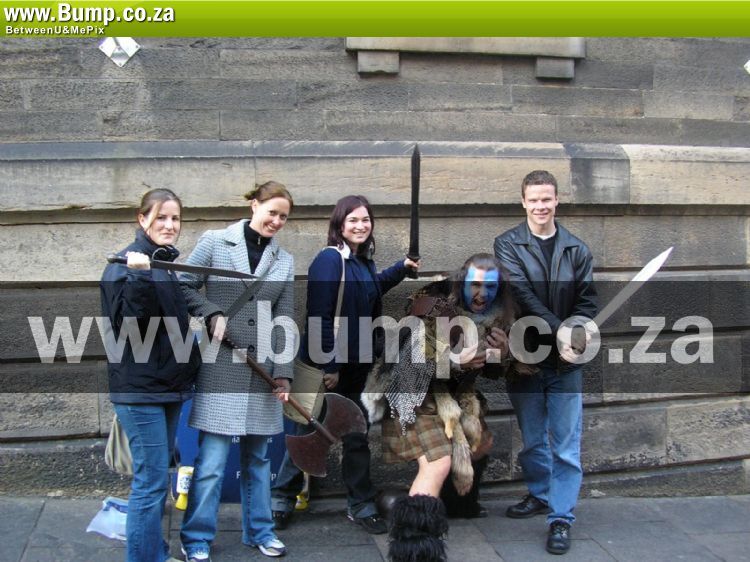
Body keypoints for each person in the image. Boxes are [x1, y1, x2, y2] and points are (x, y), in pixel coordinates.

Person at [364, 253, 529, 561]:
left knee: (480, 444)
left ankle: (448, 505)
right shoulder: (432, 307)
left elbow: (497, 371)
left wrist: (503, 353)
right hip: (413, 395)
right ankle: (414, 548)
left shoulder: (501, 314)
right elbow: (406, 364)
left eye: (490, 287)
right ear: (461, 281)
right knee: (438, 462)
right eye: (475, 285)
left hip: (455, 397)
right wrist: (453, 362)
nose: (482, 294)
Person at [271, 194, 420, 535]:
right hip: (322, 367)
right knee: (306, 432)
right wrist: (329, 366)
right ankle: (280, 500)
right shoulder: (329, 260)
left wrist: (401, 268)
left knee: (356, 434)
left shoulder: (362, 262)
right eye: (353, 220)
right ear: (339, 224)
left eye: (365, 220)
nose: (360, 225)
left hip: (356, 366)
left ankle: (361, 505)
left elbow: (372, 289)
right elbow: (319, 317)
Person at [179, 181, 295, 560]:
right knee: (212, 463)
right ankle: (196, 538)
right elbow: (183, 285)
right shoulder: (215, 242)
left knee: (259, 460)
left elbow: (285, 317)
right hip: (221, 367)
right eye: (272, 212)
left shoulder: (284, 260)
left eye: (283, 217)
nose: (276, 221)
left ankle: (260, 531)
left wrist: (284, 373)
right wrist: (210, 312)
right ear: (254, 205)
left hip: (262, 370)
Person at [494, 170, 598, 555]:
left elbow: (587, 302)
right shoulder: (507, 244)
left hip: (566, 364)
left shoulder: (577, 250)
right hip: (525, 359)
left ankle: (561, 518)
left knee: (566, 447)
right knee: (533, 440)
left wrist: (578, 331)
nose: (540, 206)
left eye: (547, 199)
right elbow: (522, 294)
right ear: (523, 202)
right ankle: (541, 493)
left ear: (557, 200)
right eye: (534, 199)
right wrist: (561, 330)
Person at [100, 188, 201, 562]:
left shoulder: (163, 264)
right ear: (142, 219)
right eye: (161, 217)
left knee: (158, 481)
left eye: (175, 218)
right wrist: (139, 277)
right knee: (150, 483)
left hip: (167, 387)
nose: (170, 225)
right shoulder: (124, 265)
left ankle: (155, 552)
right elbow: (129, 330)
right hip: (140, 392)